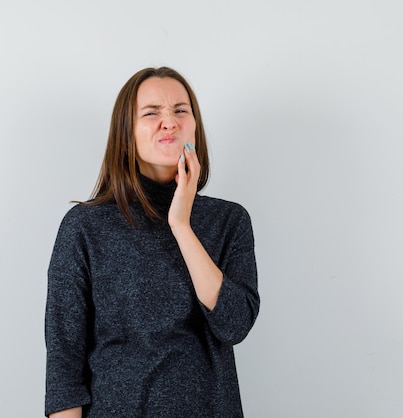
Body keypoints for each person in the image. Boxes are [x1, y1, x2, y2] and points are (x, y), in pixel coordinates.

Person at [44, 67, 260, 417]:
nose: (169, 122)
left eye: (180, 110)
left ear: (194, 125)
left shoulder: (229, 221)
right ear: (125, 132)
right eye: (151, 113)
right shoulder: (85, 227)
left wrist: (181, 225)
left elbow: (234, 325)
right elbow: (64, 363)